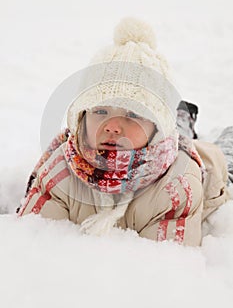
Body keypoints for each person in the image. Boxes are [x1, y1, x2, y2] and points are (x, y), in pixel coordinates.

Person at [17, 17, 230, 246]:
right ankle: (177, 118)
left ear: (158, 129)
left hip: (208, 167)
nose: (112, 126)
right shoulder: (59, 172)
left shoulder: (177, 186)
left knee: (218, 153)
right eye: (100, 111)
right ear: (81, 117)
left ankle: (188, 123)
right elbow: (32, 248)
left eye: (133, 114)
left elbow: (166, 268)